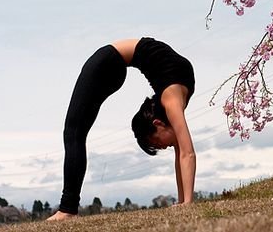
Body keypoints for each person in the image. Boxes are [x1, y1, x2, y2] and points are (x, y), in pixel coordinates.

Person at [47, 37, 196, 221]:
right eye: (157, 143)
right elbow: (186, 154)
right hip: (107, 61)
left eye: (157, 144)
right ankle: (67, 209)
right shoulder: (172, 102)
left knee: (75, 132)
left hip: (116, 66)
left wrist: (185, 202)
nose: (162, 147)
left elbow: (184, 154)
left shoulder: (172, 102)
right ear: (157, 123)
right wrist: (187, 202)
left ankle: (68, 209)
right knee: (73, 132)